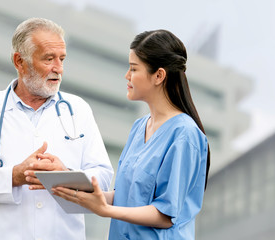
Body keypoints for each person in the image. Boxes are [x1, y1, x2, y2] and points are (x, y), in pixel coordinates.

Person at [52, 29, 211, 239]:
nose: (127, 76)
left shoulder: (185, 135)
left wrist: (106, 210)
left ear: (159, 75)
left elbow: (165, 214)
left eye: (133, 69)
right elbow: (126, 198)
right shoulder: (139, 128)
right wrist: (70, 184)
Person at [0, 18, 113, 240]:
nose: (59, 69)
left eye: (62, 59)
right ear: (19, 61)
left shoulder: (79, 110)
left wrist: (66, 175)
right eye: (49, 59)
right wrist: (14, 176)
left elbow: (102, 177)